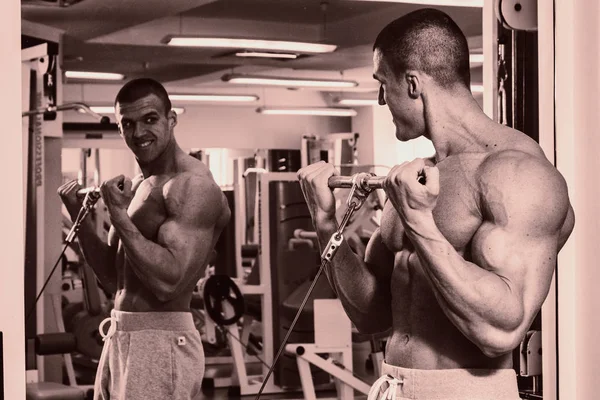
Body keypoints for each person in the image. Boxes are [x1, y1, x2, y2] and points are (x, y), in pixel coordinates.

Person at [298, 8, 575, 400]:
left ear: (412, 83)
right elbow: (370, 316)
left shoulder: (515, 174)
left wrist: (419, 222)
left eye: (382, 83)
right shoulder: (420, 175)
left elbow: (502, 330)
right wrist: (328, 225)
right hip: (395, 385)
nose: (380, 100)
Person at [58, 78, 231, 400]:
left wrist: (118, 215)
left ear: (171, 119)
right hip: (122, 333)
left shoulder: (192, 186)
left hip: (162, 339)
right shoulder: (139, 185)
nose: (138, 133)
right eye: (128, 123)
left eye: (150, 119)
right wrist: (79, 219)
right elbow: (113, 280)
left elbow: (170, 283)